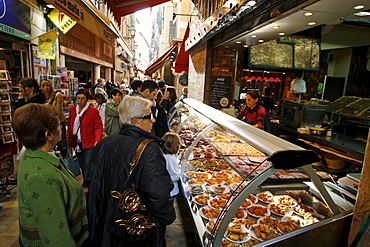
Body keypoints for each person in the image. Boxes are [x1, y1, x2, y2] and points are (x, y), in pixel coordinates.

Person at [87, 96, 176, 247]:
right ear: (135, 121)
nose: (153, 120)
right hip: (137, 231)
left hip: (106, 223)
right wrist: (167, 217)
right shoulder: (149, 149)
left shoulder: (104, 144)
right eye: (149, 116)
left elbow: (93, 183)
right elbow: (159, 194)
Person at [11, 103, 89, 246]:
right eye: (58, 125)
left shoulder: (37, 155)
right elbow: (56, 237)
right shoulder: (40, 177)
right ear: (48, 134)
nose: (60, 128)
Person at [67, 88, 103, 187]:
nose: (80, 101)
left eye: (82, 98)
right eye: (78, 98)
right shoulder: (73, 110)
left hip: (89, 142)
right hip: (77, 142)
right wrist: (69, 140)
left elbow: (98, 126)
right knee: (81, 163)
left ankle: (88, 183)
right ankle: (87, 180)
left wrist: (97, 140)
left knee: (88, 164)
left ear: (87, 99)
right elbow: (70, 126)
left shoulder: (93, 111)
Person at [40, 79, 68, 158]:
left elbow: (58, 110)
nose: (46, 88)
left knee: (61, 143)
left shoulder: (57, 95)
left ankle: (63, 159)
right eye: (44, 86)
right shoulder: (42, 98)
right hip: (48, 123)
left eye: (48, 85)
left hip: (58, 121)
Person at [162, 132, 181, 197]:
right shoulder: (170, 158)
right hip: (171, 189)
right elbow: (175, 176)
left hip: (164, 187)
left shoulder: (163, 154)